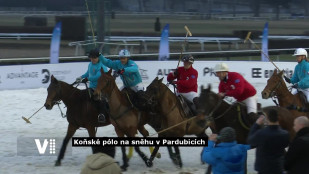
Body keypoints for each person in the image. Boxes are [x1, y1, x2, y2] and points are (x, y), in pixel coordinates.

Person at [247, 109, 289, 174]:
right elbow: (285, 145)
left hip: (263, 168)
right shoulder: (285, 134)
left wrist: (256, 124)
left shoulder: (261, 133)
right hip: (278, 167)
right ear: (278, 118)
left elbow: (250, 141)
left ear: (267, 119)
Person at [76, 48, 108, 123]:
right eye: (91, 57)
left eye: (94, 57)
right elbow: (87, 73)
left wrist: (87, 79)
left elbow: (98, 77)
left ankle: (102, 115)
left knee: (100, 99)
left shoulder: (102, 66)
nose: (93, 59)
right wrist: (81, 77)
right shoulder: (90, 64)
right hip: (92, 87)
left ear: (98, 57)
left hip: (101, 87)